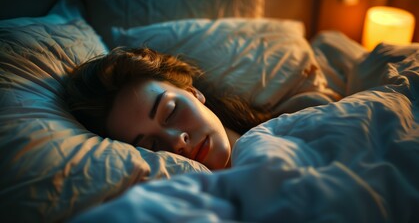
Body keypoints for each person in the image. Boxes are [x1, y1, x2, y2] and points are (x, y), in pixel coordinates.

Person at [66, 47, 272, 170]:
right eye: (152, 145)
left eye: (171, 111)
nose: (176, 141)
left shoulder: (297, 120)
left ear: (193, 92)